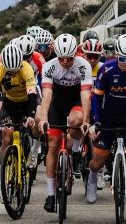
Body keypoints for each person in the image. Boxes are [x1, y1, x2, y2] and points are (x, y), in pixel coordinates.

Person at [87, 33, 126, 218]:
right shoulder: (106, 70)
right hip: (108, 117)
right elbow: (96, 98)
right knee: (97, 163)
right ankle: (92, 180)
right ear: (116, 55)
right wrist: (96, 121)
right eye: (122, 59)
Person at [36, 33, 92, 213]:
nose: (66, 62)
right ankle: (51, 194)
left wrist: (86, 120)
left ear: (75, 54)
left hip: (75, 100)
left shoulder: (83, 65)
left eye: (70, 58)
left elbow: (85, 95)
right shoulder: (49, 66)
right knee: (53, 144)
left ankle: (75, 151)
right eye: (62, 58)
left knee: (76, 121)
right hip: (57, 103)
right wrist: (44, 118)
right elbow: (47, 95)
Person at [0, 43, 42, 170]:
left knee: (37, 119)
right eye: (9, 71)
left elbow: (32, 95)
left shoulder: (27, 68)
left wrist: (31, 115)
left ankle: (33, 151)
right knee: (7, 135)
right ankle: (3, 170)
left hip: (27, 101)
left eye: (15, 70)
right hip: (10, 102)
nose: (12, 73)